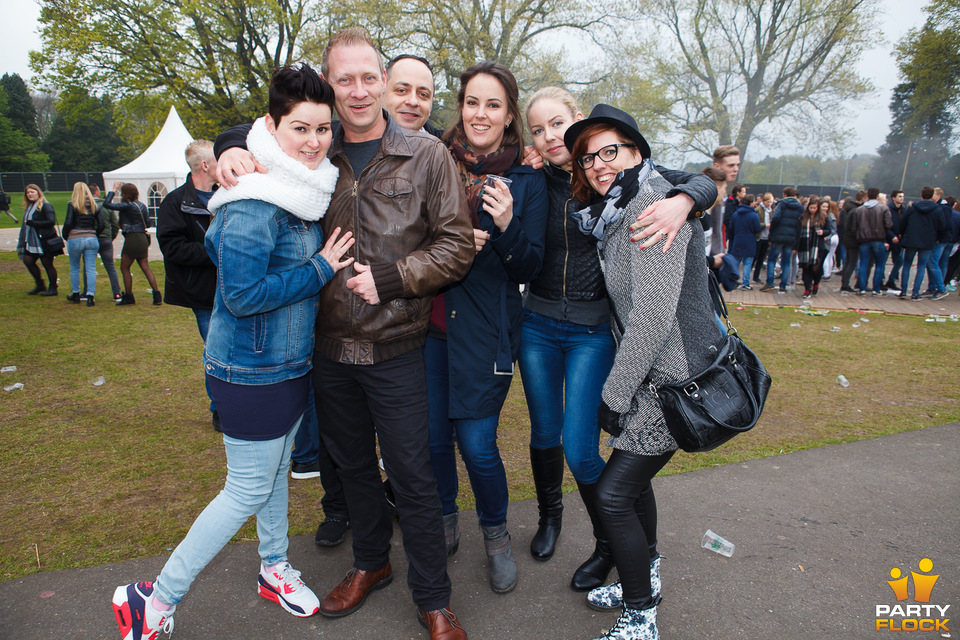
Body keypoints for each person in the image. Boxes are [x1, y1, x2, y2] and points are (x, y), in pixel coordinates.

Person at [215, 27, 475, 639]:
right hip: (326, 348)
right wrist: (230, 146)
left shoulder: (426, 153)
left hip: (398, 346)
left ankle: (433, 598)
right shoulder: (311, 152)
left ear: (383, 79)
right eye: (344, 80)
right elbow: (263, 132)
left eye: (368, 77)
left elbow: (457, 246)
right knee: (351, 467)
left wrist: (392, 277)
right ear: (329, 85)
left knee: (413, 475)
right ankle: (369, 563)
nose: (357, 91)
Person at [112, 62, 356, 640]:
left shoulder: (299, 188)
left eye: (323, 129)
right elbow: (243, 297)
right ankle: (154, 598)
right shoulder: (254, 199)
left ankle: (274, 568)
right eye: (301, 128)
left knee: (272, 475)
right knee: (247, 486)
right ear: (271, 127)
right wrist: (320, 268)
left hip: (286, 364)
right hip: (250, 370)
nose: (315, 141)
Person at [520, 87, 717, 594]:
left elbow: (699, 183)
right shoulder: (578, 193)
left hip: (639, 357)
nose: (547, 138)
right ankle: (626, 566)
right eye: (536, 130)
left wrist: (688, 199)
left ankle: (623, 568)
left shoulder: (647, 199)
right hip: (547, 326)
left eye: (610, 152)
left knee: (595, 465)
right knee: (559, 442)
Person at [563, 104, 724, 640]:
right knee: (629, 489)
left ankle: (640, 615)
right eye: (589, 158)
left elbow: (652, 318)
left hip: (669, 379)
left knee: (611, 495)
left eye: (611, 151)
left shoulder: (651, 204)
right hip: (649, 377)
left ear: (636, 152)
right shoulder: (617, 209)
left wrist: (614, 395)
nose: (599, 164)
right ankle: (645, 580)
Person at [425, 61, 548, 594]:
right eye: (472, 102)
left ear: (508, 115)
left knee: (477, 445)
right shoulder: (433, 159)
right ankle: (445, 519)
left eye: (493, 104)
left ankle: (495, 536)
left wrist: (504, 227)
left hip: (486, 334)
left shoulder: (528, 175)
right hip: (426, 329)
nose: (480, 113)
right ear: (460, 106)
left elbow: (530, 266)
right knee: (431, 441)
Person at [156, 139, 220, 430]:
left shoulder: (228, 194)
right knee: (214, 350)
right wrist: (215, 250)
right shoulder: (175, 202)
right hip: (203, 292)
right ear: (205, 165)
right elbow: (172, 248)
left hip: (233, 288)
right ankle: (220, 407)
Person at [103, 181, 162, 305]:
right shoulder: (142, 205)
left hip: (132, 237)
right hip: (142, 237)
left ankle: (129, 296)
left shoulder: (127, 205)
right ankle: (157, 295)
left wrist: (113, 191)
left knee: (125, 268)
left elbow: (107, 204)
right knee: (145, 267)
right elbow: (148, 223)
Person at [899, 186, 948, 301]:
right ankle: (915, 293)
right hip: (927, 241)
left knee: (906, 265)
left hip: (911, 239)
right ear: (932, 196)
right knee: (921, 266)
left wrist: (902, 234)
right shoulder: (937, 209)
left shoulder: (912, 208)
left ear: (921, 195)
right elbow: (942, 226)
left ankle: (903, 291)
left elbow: (903, 222)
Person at [62, 182, 104, 306]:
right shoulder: (94, 205)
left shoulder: (73, 205)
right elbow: (102, 224)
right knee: (90, 268)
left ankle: (76, 293)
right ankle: (90, 296)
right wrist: (94, 233)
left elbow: (68, 222)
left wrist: (66, 235)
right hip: (91, 237)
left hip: (75, 237)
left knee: (75, 267)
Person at [16, 184, 62, 297]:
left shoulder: (45, 206)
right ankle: (40, 284)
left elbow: (51, 221)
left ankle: (53, 288)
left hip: (44, 240)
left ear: (38, 192)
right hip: (32, 241)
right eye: (28, 193)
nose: (30, 194)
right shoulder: (29, 207)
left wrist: (35, 223)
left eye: (32, 192)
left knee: (47, 264)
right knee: (28, 260)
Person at [849, 187, 892, 296]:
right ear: (878, 196)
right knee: (879, 264)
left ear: (867, 196)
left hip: (863, 239)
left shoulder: (859, 210)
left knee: (863, 263)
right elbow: (889, 224)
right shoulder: (883, 208)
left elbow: (853, 227)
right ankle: (876, 289)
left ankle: (862, 288)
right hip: (878, 238)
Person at [384, 54, 441, 136]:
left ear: (431, 103)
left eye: (423, 94)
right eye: (401, 90)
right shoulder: (359, 144)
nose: (413, 101)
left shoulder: (446, 147)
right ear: (382, 93)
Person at [761, 187, 802, 293]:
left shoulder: (781, 205)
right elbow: (800, 225)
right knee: (786, 261)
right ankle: (783, 284)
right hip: (791, 237)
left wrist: (771, 235)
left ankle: (770, 282)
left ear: (785, 194)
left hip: (778, 236)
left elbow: (775, 218)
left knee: (772, 259)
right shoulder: (800, 207)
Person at [90, 183, 122, 302]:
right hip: (106, 239)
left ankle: (87, 293)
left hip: (92, 238)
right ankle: (117, 293)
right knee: (110, 267)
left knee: (89, 267)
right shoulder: (107, 206)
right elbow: (115, 223)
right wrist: (111, 237)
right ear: (97, 192)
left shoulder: (86, 205)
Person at [797, 197, 835, 298]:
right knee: (806, 268)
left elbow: (829, 230)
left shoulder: (823, 217)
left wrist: (823, 232)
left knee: (815, 268)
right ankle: (807, 289)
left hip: (818, 246)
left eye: (815, 208)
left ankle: (816, 283)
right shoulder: (803, 217)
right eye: (811, 207)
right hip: (805, 246)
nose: (813, 210)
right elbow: (798, 231)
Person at [727, 192, 761, 289]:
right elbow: (757, 229)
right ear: (751, 202)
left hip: (738, 239)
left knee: (736, 261)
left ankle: (733, 280)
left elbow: (731, 227)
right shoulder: (753, 215)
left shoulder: (736, 214)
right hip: (749, 240)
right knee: (747, 263)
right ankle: (745, 283)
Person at [839, 190, 866, 292]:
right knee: (852, 263)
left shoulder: (850, 209)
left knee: (848, 262)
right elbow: (855, 227)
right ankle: (845, 285)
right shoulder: (856, 210)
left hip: (847, 238)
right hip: (853, 240)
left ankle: (844, 283)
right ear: (863, 198)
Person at [885, 190, 906, 291]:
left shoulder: (903, 210)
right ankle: (880, 282)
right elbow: (885, 225)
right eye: (899, 196)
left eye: (902, 196)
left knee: (899, 260)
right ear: (893, 198)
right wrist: (891, 236)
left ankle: (891, 280)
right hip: (888, 239)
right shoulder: (888, 209)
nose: (902, 198)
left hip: (899, 239)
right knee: (883, 261)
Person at [753, 192, 774, 283]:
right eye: (767, 202)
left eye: (770, 202)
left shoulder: (772, 211)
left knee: (761, 258)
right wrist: (766, 225)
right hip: (759, 237)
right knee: (755, 257)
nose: (769, 204)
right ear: (764, 201)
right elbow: (756, 223)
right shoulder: (758, 210)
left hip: (767, 237)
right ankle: (746, 276)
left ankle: (756, 276)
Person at [820, 199, 840, 280]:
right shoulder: (832, 215)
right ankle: (827, 273)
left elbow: (832, 229)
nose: (825, 208)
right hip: (834, 236)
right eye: (823, 206)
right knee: (830, 256)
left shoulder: (828, 216)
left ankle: (825, 274)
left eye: (826, 207)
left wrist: (827, 237)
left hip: (830, 237)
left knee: (826, 256)